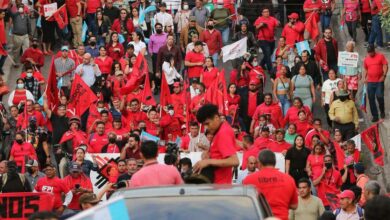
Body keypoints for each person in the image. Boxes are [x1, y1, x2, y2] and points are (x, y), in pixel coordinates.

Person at [243, 150, 298, 220]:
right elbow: (294, 205)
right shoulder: (289, 179)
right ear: (275, 163)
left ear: (259, 163)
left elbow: (245, 204)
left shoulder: (249, 180)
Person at [194, 104, 239, 184]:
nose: (206, 128)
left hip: (220, 187)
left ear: (216, 118)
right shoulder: (219, 129)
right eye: (204, 125)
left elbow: (234, 161)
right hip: (216, 184)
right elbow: (219, 151)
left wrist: (208, 161)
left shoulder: (223, 133)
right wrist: (208, 153)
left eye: (207, 124)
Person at [363, 45, 388, 122]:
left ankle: (382, 111)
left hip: (379, 81)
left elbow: (385, 65)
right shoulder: (366, 59)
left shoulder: (380, 56)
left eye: (371, 52)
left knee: (380, 96)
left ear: (374, 50)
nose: (370, 53)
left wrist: (384, 75)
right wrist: (365, 78)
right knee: (371, 99)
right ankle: (375, 116)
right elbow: (366, 69)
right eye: (369, 52)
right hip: (370, 82)